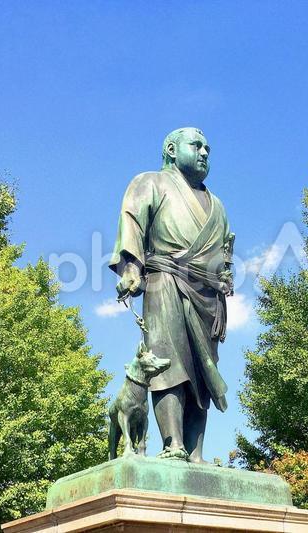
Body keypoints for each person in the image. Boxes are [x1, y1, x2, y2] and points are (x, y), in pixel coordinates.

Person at [109, 127, 234, 463]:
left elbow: (224, 250)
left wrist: (224, 279)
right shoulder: (150, 182)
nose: (205, 152)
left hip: (207, 295)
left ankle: (196, 452)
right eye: (197, 145)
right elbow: (132, 222)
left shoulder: (217, 205)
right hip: (164, 279)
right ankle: (172, 443)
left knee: (202, 371)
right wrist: (131, 268)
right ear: (171, 149)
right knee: (168, 360)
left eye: (209, 147)